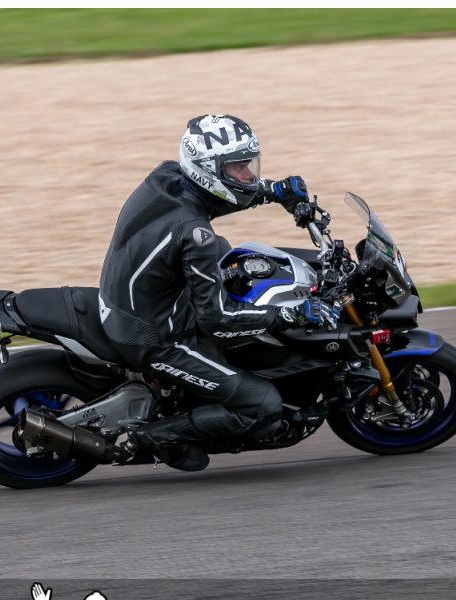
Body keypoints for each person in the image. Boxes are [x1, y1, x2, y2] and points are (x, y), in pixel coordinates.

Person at [98, 114, 337, 472]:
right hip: (154, 337)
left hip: (135, 302)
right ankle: (153, 438)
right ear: (207, 170)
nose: (248, 174)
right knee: (263, 406)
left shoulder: (167, 177)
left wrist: (272, 191)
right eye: (238, 168)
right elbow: (216, 319)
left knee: (229, 262)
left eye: (249, 165)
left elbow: (214, 197)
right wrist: (289, 314)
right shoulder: (196, 235)